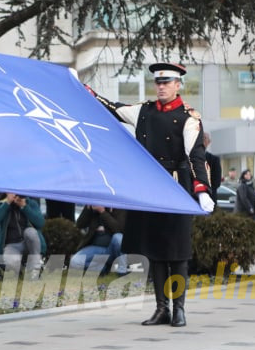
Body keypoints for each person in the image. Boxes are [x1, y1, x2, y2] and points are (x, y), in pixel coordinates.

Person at [90, 62, 214, 327]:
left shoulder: (188, 117)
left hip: (177, 188)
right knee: (155, 252)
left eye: (167, 82)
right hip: (150, 187)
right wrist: (84, 90)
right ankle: (162, 309)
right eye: (158, 82)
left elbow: (195, 155)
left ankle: (179, 308)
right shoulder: (144, 111)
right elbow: (112, 108)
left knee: (177, 253)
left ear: (178, 84)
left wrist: (202, 189)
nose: (161, 87)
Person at [0, 193, 47, 280]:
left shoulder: (31, 203)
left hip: (28, 243)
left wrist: (24, 206)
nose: (16, 196)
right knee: (10, 261)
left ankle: (36, 268)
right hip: (12, 245)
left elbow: (40, 223)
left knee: (30, 232)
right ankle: (20, 269)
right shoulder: (3, 204)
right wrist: (7, 203)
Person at [69, 205, 126, 275]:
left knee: (118, 238)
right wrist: (88, 209)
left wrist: (103, 212)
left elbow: (119, 229)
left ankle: (122, 271)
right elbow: (79, 224)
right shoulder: (92, 207)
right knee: (75, 261)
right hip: (95, 248)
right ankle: (102, 268)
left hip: (112, 249)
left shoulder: (119, 206)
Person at [204, 132, 222, 205]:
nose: (202, 141)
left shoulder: (214, 160)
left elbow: (217, 182)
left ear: (209, 142)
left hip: (209, 198)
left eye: (204, 138)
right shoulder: (190, 158)